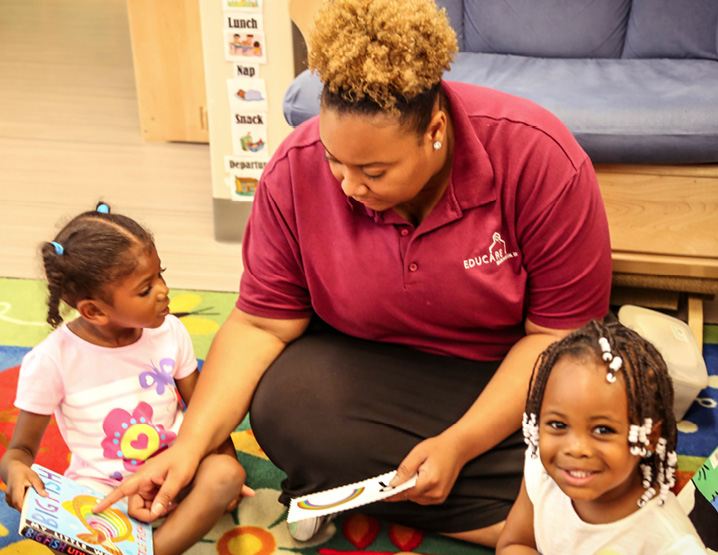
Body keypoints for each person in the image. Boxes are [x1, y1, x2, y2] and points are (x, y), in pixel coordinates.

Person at [95, 0, 612, 547]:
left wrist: (459, 443)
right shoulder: (294, 170)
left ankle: (370, 492)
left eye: (373, 171)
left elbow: (558, 341)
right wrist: (189, 447)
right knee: (286, 406)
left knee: (606, 431)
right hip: (371, 377)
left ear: (435, 130)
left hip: (510, 373)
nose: (347, 186)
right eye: (335, 161)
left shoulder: (539, 159)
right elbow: (260, 326)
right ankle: (536, 517)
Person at [0, 203, 252, 555]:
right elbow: (20, 451)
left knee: (226, 474)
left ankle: (156, 549)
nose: (164, 291)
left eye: (160, 274)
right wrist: (15, 473)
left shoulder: (170, 332)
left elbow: (202, 409)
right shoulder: (51, 361)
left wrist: (225, 465)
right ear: (94, 311)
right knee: (62, 536)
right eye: (145, 289)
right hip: (103, 488)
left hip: (177, 468)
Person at [496, 320, 707, 554]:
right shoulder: (542, 471)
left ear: (648, 438)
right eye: (558, 424)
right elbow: (515, 544)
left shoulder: (671, 545)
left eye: (603, 430)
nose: (575, 448)